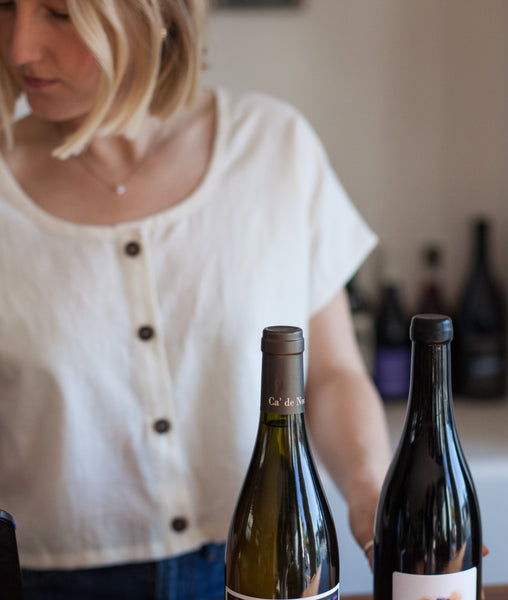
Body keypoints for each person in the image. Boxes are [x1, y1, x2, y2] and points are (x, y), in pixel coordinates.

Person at [0, 1, 392, 598]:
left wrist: (370, 493)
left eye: (58, 11)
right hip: (51, 579)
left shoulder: (273, 147)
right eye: (5, 7)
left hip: (265, 565)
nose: (20, 47)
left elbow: (331, 372)